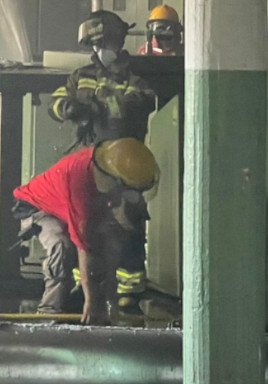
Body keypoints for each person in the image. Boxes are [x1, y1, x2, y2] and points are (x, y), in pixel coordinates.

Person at [48, 10, 157, 311]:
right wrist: (68, 108)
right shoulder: (80, 76)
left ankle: (129, 292)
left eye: (104, 44)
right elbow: (56, 103)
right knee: (85, 226)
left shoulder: (134, 79)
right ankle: (84, 286)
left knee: (128, 225)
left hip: (124, 166)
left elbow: (142, 102)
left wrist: (102, 104)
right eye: (94, 45)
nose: (99, 51)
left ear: (117, 41)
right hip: (88, 166)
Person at [11, 138, 160, 325]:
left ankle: (80, 297)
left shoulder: (109, 165)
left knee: (106, 237)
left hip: (64, 204)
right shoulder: (80, 181)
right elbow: (84, 245)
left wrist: (109, 298)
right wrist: (92, 303)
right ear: (114, 182)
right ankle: (49, 314)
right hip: (36, 206)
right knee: (62, 245)